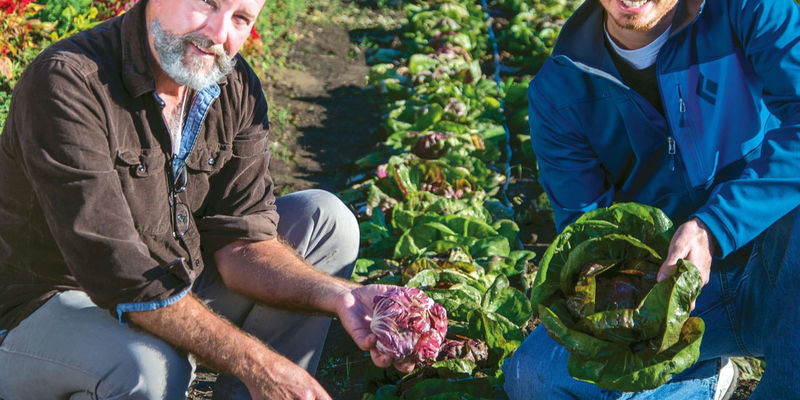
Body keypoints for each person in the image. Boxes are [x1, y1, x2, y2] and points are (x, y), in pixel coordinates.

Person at [0, 0, 413, 399]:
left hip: (172, 278)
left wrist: (340, 296)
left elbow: (241, 241)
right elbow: (119, 273)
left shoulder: (233, 86)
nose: (218, 33)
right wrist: (257, 363)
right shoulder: (69, 81)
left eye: (241, 18)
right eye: (206, 2)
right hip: (49, 307)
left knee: (325, 220)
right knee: (149, 368)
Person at [502, 0, 800, 399]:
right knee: (535, 376)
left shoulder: (749, 9)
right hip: (667, 299)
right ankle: (704, 377)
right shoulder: (560, 88)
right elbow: (585, 234)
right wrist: (634, 311)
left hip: (779, 267)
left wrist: (715, 225)